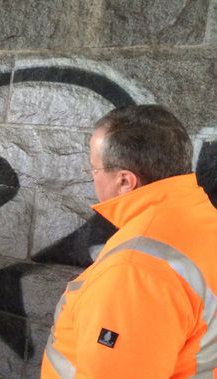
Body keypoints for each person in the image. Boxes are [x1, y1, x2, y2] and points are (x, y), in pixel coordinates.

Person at [41, 105, 217, 378]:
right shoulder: (202, 218)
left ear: (125, 181)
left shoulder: (136, 269)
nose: (92, 177)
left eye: (94, 169)